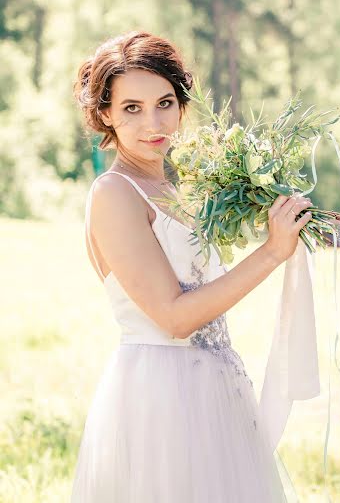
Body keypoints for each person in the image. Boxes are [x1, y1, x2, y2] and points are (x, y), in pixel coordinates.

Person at [70, 29, 316, 502]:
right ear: (105, 114)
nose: (153, 122)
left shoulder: (182, 189)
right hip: (159, 395)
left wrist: (292, 217)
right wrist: (270, 252)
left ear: (183, 104)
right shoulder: (115, 194)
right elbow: (175, 317)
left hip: (216, 387)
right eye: (131, 108)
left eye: (165, 102)